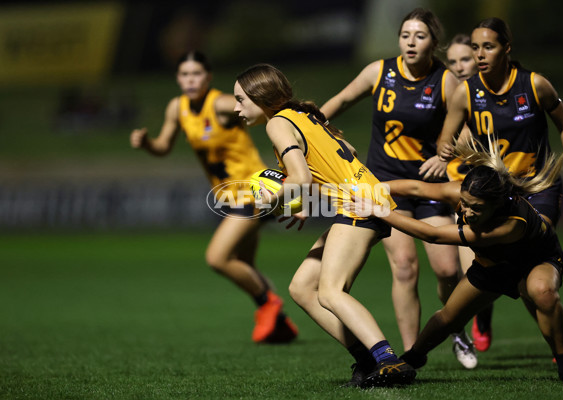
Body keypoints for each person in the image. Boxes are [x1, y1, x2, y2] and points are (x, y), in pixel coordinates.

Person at [345, 138, 563, 384]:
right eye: (464, 204)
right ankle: (409, 359)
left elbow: (432, 235)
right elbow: (416, 188)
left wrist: (379, 210)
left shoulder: (510, 225)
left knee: (540, 291)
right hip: (493, 264)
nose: (466, 211)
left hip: (536, 260)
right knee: (448, 318)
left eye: (476, 208)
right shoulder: (461, 193)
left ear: (496, 204)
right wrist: (372, 188)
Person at [233, 63, 416, 388]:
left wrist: (270, 200)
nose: (236, 108)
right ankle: (367, 361)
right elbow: (343, 154)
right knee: (303, 288)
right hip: (364, 200)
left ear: (260, 97)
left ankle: (389, 361)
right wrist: (298, 202)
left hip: (360, 205)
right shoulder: (302, 115)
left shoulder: (277, 124)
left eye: (240, 99)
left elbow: (300, 178)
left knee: (330, 291)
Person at [320, 8, 476, 369]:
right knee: (404, 267)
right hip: (386, 185)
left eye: (419, 36)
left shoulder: (447, 80)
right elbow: (341, 101)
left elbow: (467, 127)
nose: (410, 41)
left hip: (430, 186)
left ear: (434, 43)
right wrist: (317, 128)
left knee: (448, 271)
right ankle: (411, 356)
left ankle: (455, 328)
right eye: (405, 34)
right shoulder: (379, 71)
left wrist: (445, 154)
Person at [436, 17, 563, 367]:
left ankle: (561, 345)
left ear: (506, 48)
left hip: (539, 190)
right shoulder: (466, 92)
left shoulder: (535, 85)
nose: (479, 54)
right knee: (524, 279)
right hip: (498, 197)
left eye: (487, 46)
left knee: (528, 268)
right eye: (475, 47)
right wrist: (447, 149)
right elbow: (446, 137)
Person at [129, 51, 298, 344]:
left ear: (207, 78)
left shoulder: (221, 105)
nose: (190, 80)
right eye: (184, 74)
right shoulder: (177, 108)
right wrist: (147, 144)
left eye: (196, 74)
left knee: (218, 258)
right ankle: (281, 324)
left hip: (255, 193)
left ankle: (269, 305)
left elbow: (255, 106)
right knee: (245, 267)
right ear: (178, 78)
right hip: (231, 199)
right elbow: (163, 146)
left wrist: (287, 119)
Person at [445, 33, 495, 353]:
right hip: (462, 196)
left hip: (499, 195)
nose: (461, 66)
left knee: (525, 274)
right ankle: (481, 318)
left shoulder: (493, 97)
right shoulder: (446, 98)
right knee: (470, 271)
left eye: (466, 59)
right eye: (453, 61)